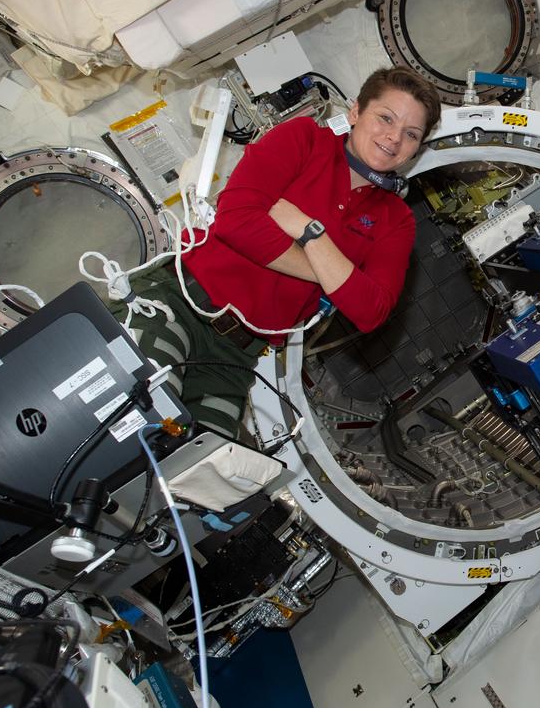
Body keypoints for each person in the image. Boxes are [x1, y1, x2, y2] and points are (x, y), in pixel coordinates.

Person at [115, 66, 442, 438]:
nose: (394, 137)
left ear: (417, 147)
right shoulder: (304, 140)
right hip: (180, 305)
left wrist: (309, 233)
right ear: (355, 112)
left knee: (202, 460)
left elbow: (371, 311)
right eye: (386, 117)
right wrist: (339, 276)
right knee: (141, 417)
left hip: (236, 355)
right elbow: (235, 222)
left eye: (411, 134)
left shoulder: (396, 220)